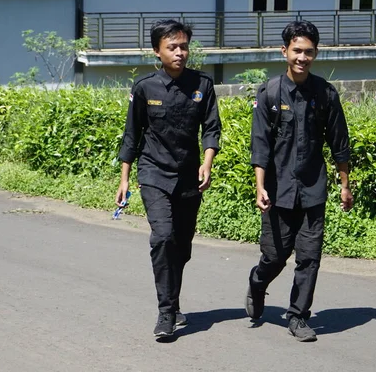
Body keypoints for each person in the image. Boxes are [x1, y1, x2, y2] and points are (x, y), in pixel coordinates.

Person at [245, 21, 354, 342]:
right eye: (297, 51)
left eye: (308, 52)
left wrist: (345, 185)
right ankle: (257, 282)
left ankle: (297, 316)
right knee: (274, 256)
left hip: (312, 190)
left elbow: (339, 143)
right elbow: (260, 145)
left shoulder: (326, 94)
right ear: (285, 52)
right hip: (277, 192)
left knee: (309, 257)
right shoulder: (270, 93)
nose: (302, 57)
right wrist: (259, 186)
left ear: (315, 53)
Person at [115, 19, 221, 339]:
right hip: (153, 173)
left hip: (189, 176)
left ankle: (173, 304)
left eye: (184, 46)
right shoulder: (145, 87)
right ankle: (166, 313)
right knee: (162, 237)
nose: (179, 52)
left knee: (182, 247)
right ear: (157, 52)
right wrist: (125, 179)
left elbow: (212, 129)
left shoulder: (203, 85)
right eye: (172, 47)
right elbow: (131, 135)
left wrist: (207, 162)